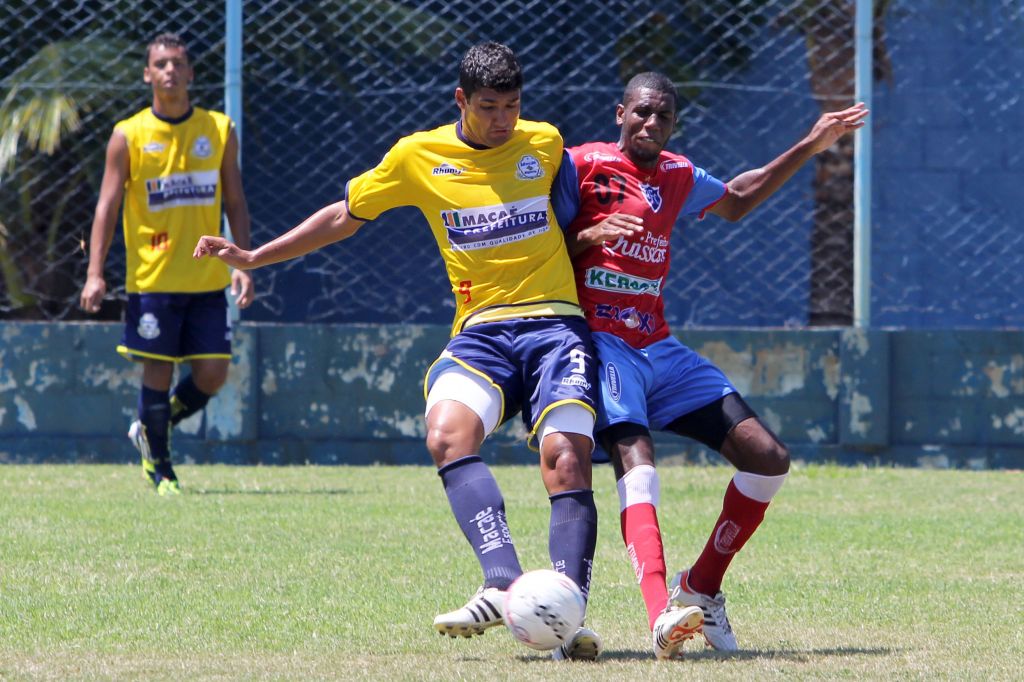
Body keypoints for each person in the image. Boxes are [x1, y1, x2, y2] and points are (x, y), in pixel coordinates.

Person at [194, 42, 603, 661]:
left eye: (513, 106)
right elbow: (345, 215)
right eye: (489, 107)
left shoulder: (544, 144)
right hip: (482, 330)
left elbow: (578, 219)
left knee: (566, 458)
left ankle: (568, 616)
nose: (503, 121)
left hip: (555, 326)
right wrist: (254, 256)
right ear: (460, 100)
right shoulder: (418, 156)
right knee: (446, 433)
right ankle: (503, 582)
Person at [555, 72, 868, 658]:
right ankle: (660, 617)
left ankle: (701, 587)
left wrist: (809, 143)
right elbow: (538, 245)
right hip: (601, 343)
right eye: (643, 112)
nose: (651, 124)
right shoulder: (580, 165)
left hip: (661, 348)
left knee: (768, 458)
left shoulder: (676, 173)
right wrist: (588, 233)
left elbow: (739, 200)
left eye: (664, 116)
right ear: (619, 111)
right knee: (636, 463)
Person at [80, 33, 254, 496]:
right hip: (152, 280)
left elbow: (235, 201)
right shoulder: (128, 134)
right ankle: (161, 470)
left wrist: (242, 261)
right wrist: (95, 272)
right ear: (148, 74)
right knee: (157, 372)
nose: (170, 71)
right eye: (161, 64)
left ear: (191, 73)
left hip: (207, 277)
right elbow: (107, 207)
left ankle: (151, 425)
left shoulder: (219, 129)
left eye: (178, 63)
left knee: (213, 373)